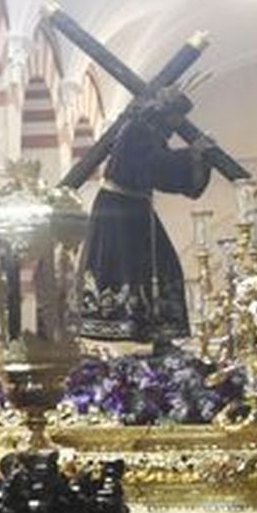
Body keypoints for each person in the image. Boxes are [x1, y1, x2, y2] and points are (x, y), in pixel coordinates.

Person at [77, 88, 211, 347]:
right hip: (119, 212)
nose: (177, 126)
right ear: (167, 113)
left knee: (162, 266)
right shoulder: (138, 130)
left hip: (134, 209)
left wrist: (192, 156)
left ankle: (154, 328)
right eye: (176, 119)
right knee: (133, 269)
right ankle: (130, 325)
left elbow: (157, 166)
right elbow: (153, 168)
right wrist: (192, 155)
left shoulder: (149, 132)